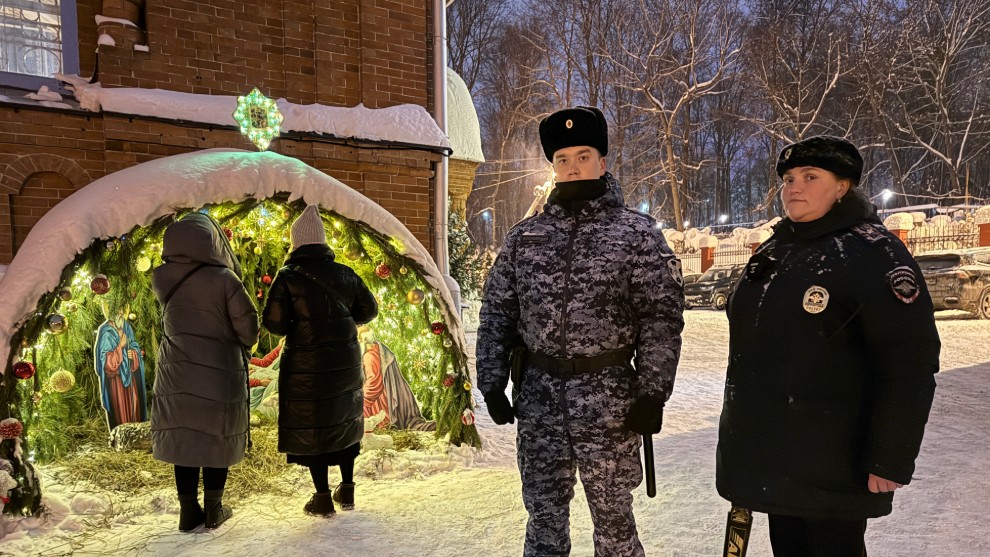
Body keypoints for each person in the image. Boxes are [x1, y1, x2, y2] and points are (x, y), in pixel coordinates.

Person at [716, 136, 941, 556]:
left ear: (842, 186)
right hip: (776, 454)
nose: (793, 187)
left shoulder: (872, 254)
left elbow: (909, 361)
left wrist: (890, 456)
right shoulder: (776, 249)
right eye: (788, 178)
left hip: (836, 458)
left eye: (809, 177)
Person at [477, 106, 685, 557]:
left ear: (603, 162)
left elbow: (661, 318)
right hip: (540, 402)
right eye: (563, 158)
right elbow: (497, 313)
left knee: (614, 524)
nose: (573, 167)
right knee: (544, 521)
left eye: (584, 155)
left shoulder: (637, 234)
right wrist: (491, 381)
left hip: (609, 404)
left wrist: (652, 393)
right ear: (553, 167)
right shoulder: (524, 239)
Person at [262, 204, 378, 516]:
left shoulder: (287, 278)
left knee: (315, 428)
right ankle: (348, 489)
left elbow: (274, 324)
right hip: (344, 363)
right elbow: (368, 311)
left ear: (296, 242)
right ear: (323, 242)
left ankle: (323, 496)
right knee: (343, 419)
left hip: (306, 368)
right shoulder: (346, 274)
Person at [151, 212, 260, 532]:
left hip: (175, 370)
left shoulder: (162, 277)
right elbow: (249, 329)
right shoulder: (225, 279)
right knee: (217, 438)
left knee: (185, 438)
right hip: (218, 370)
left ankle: (188, 511)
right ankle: (214, 508)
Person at [93, 307, 148, 430]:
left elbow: (134, 346)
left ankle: (137, 436)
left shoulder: (126, 327)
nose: (121, 313)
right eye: (118, 310)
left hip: (130, 377)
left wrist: (133, 354)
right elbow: (107, 364)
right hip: (116, 382)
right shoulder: (106, 332)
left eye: (123, 310)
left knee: (135, 408)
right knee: (121, 411)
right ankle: (122, 438)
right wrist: (121, 347)